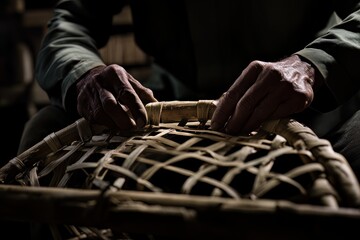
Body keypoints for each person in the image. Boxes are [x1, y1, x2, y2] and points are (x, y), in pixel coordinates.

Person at [18, 0, 360, 182]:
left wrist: (313, 65)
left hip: (315, 116)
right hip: (167, 126)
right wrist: (84, 75)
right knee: (45, 131)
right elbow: (69, 23)